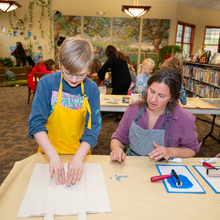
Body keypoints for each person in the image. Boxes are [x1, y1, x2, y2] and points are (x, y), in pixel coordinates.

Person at [28, 37, 101, 187]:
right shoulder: (47, 83)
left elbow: (93, 126)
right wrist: (53, 156)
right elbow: (36, 124)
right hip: (48, 152)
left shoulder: (91, 88)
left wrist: (79, 156)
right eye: (67, 73)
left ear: (89, 67)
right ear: (60, 64)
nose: (74, 80)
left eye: (81, 75)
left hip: (80, 152)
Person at [110, 67, 201, 163]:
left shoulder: (184, 118)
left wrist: (171, 151)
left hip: (167, 169)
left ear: (171, 98)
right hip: (135, 166)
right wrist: (117, 149)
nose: (153, 99)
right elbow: (118, 138)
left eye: (161, 96)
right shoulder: (133, 109)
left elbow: (192, 150)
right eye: (152, 91)